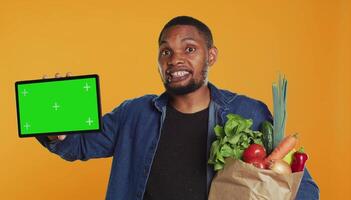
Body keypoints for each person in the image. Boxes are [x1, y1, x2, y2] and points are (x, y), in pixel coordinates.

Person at [36, 16, 319, 200]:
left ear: (211, 55)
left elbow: (302, 188)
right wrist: (55, 128)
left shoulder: (247, 113)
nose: (175, 59)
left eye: (190, 49)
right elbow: (77, 146)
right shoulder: (134, 114)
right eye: (165, 51)